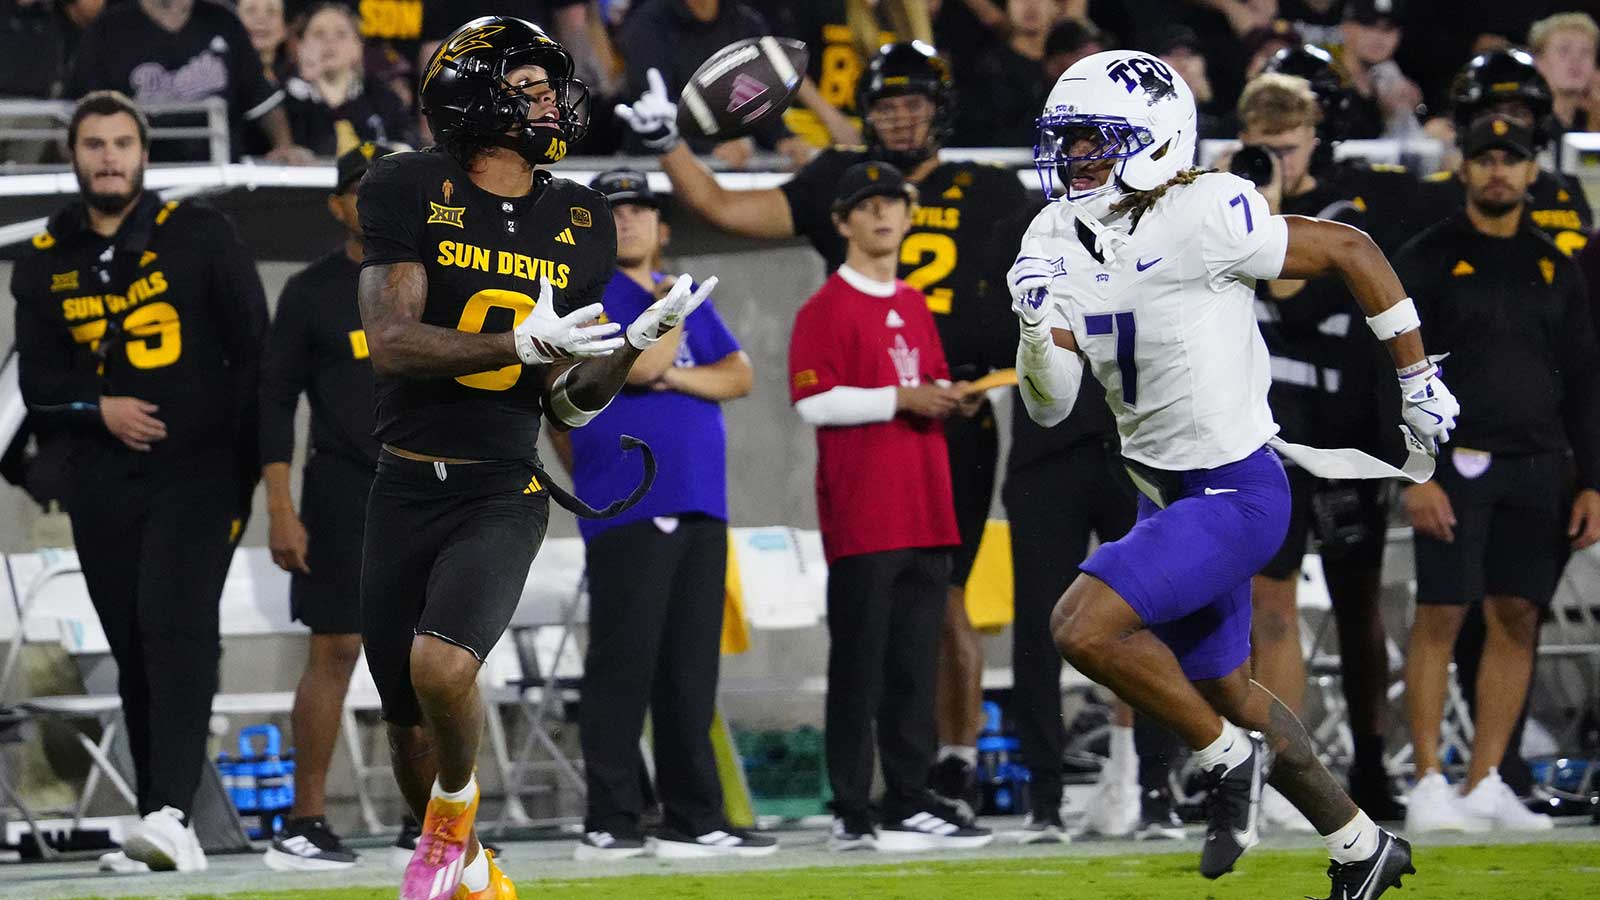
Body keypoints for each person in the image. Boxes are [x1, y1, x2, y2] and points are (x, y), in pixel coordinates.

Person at [1011, 49, 1458, 896]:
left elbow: (1351, 249)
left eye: (1093, 138)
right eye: (1066, 139)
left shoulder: (1206, 208)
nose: (1073, 156)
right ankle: (1362, 844)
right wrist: (1035, 330)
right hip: (1165, 495)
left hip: (1237, 489)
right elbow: (1048, 403)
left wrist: (1416, 379)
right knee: (1229, 687)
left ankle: (1224, 761)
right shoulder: (1050, 236)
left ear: (1154, 139)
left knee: (1079, 626)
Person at [355, 16, 716, 900]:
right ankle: (472, 866)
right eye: (526, 86)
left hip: (500, 486)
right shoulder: (407, 184)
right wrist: (516, 345)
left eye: (550, 86)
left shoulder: (580, 216)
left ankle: (451, 823)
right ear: (471, 99)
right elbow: (392, 341)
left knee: (441, 666)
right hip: (404, 481)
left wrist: (630, 345)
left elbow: (567, 403)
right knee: (404, 717)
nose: (551, 101)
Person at [617, 41, 1027, 811]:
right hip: (869, 436)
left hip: (961, 420)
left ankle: (948, 766)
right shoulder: (834, 215)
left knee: (944, 598)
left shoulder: (991, 191)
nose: (899, 118)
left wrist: (1001, 384)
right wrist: (668, 144)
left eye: (912, 103)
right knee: (872, 619)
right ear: (844, 217)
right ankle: (864, 791)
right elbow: (725, 208)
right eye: (885, 105)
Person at [12, 90, 268, 873]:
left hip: (197, 474)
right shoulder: (45, 258)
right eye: (94, 144)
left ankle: (172, 815)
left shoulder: (201, 232)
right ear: (73, 156)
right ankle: (161, 814)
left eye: (122, 142)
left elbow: (254, 352)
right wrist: (99, 407)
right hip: (101, 481)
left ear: (144, 153)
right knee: (132, 646)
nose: (109, 157)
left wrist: (258, 473)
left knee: (175, 630)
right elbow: (38, 385)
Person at [1394, 114, 1600, 835]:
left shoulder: (1554, 264)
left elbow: (1583, 378)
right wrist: (1415, 474)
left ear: (1532, 171)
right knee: (1441, 614)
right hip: (1454, 464)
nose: (1498, 171)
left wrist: (1593, 480)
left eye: (1510, 159)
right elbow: (1394, 371)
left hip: (1539, 465)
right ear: (1465, 167)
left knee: (1518, 615)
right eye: (1485, 158)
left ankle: (1485, 781)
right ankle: (1427, 779)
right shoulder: (1425, 257)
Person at [553, 169, 767, 860]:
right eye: (613, 212)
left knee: (689, 669)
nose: (628, 221)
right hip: (629, 500)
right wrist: (670, 335)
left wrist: (674, 369)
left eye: (641, 210)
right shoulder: (586, 297)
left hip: (701, 497)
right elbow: (639, 368)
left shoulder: (680, 293)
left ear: (663, 224)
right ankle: (610, 818)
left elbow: (739, 374)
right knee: (624, 664)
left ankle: (693, 815)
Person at [788, 161, 992, 853]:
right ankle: (851, 807)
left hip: (928, 509)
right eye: (867, 205)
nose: (883, 215)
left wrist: (947, 397)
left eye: (893, 203)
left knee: (913, 668)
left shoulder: (914, 302)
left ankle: (907, 798)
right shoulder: (824, 307)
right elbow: (813, 400)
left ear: (909, 218)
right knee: (860, 666)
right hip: (866, 517)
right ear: (842, 222)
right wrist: (903, 398)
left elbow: (923, 381)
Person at [988, 201, 1185, 845]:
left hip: (1135, 451)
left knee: (1150, 620)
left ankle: (1156, 789)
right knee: (1040, 629)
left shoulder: (1156, 231)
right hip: (1048, 458)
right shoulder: (1031, 231)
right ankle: (1043, 798)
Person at [257, 141, 399, 872]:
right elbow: (275, 401)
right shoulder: (310, 291)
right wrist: (280, 508)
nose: (374, 201)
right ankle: (306, 819)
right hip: (342, 487)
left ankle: (433, 822)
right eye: (360, 190)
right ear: (337, 205)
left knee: (432, 656)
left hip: (428, 485)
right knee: (336, 650)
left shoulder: (441, 277)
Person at [66, 0, 313, 164]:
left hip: (219, 173)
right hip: (142, 177)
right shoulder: (108, 30)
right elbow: (79, 113)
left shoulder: (224, 21)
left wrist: (284, 145)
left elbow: (263, 100)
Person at [1415, 49, 1592, 258]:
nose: (1501, 126)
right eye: (1488, 114)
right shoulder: (1431, 196)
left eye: (1517, 114)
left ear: (1539, 126)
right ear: (1465, 126)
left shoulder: (1565, 194)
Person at [615, 0, 812, 168]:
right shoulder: (648, 24)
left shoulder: (745, 22)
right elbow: (653, 104)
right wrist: (710, 146)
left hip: (731, 165)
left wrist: (781, 139)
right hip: (659, 166)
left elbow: (759, 99)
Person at [282, 2, 414, 155]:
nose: (329, 41)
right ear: (300, 45)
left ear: (357, 46)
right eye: (318, 34)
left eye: (341, 34)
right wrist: (314, 80)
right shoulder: (285, 97)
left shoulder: (381, 96)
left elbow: (407, 143)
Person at [1528, 11, 1599, 135]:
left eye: (1586, 51)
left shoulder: (1593, 120)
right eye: (1564, 50)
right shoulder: (1526, 122)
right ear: (1539, 61)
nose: (1576, 59)